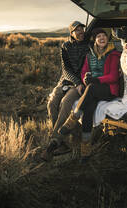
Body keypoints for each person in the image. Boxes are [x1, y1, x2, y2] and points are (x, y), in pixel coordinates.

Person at [58, 28, 121, 162]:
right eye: (98, 36)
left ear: (108, 39)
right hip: (93, 89)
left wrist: (96, 80)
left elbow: (114, 76)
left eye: (104, 36)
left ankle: (73, 118)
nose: (102, 38)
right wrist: (85, 78)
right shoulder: (89, 54)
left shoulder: (114, 54)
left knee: (91, 88)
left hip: (109, 89)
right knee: (88, 109)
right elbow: (84, 71)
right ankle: (86, 149)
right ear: (95, 40)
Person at [41, 21, 90, 161]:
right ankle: (62, 144)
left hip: (79, 83)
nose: (81, 32)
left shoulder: (88, 46)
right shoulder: (66, 46)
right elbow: (66, 69)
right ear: (71, 33)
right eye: (77, 30)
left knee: (65, 103)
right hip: (66, 80)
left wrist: (79, 83)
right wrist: (76, 82)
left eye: (82, 29)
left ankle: (54, 142)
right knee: (51, 103)